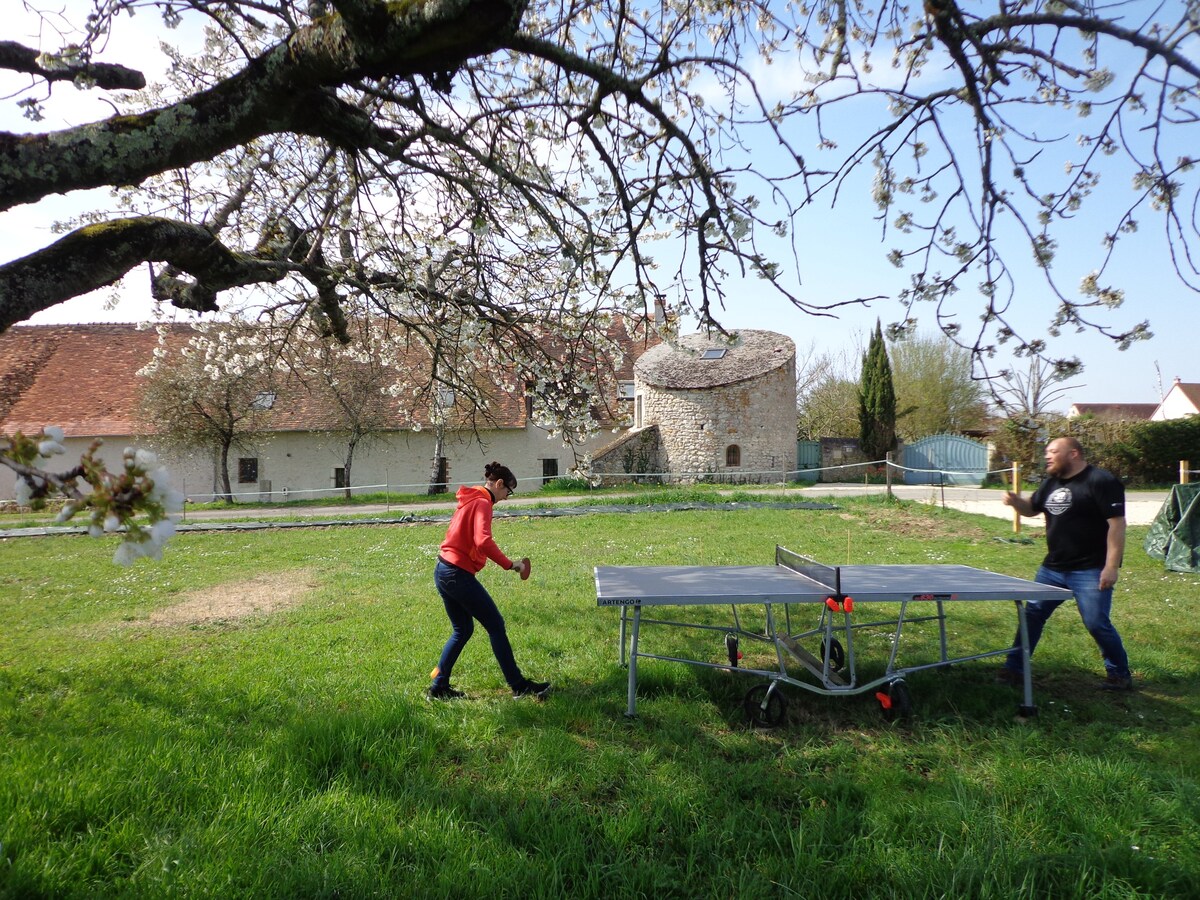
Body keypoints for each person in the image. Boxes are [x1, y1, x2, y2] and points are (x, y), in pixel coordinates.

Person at [998, 436, 1134, 691]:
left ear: (1073, 453)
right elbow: (1032, 510)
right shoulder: (1051, 482)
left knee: (1096, 623)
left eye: (1053, 451)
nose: (1047, 456)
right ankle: (1014, 668)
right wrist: (1017, 503)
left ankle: (1119, 673)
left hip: (1091, 569)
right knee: (1032, 616)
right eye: (1046, 452)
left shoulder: (1101, 481)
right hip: (1053, 568)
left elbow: (1117, 525)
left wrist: (1111, 566)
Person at [427, 461, 551, 701]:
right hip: (457, 574)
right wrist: (510, 563)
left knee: (462, 630)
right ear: (499, 484)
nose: (506, 497)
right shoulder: (483, 502)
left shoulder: (470, 498)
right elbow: (483, 541)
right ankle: (519, 686)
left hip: (443, 570)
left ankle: (438, 687)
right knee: (495, 625)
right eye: (508, 492)